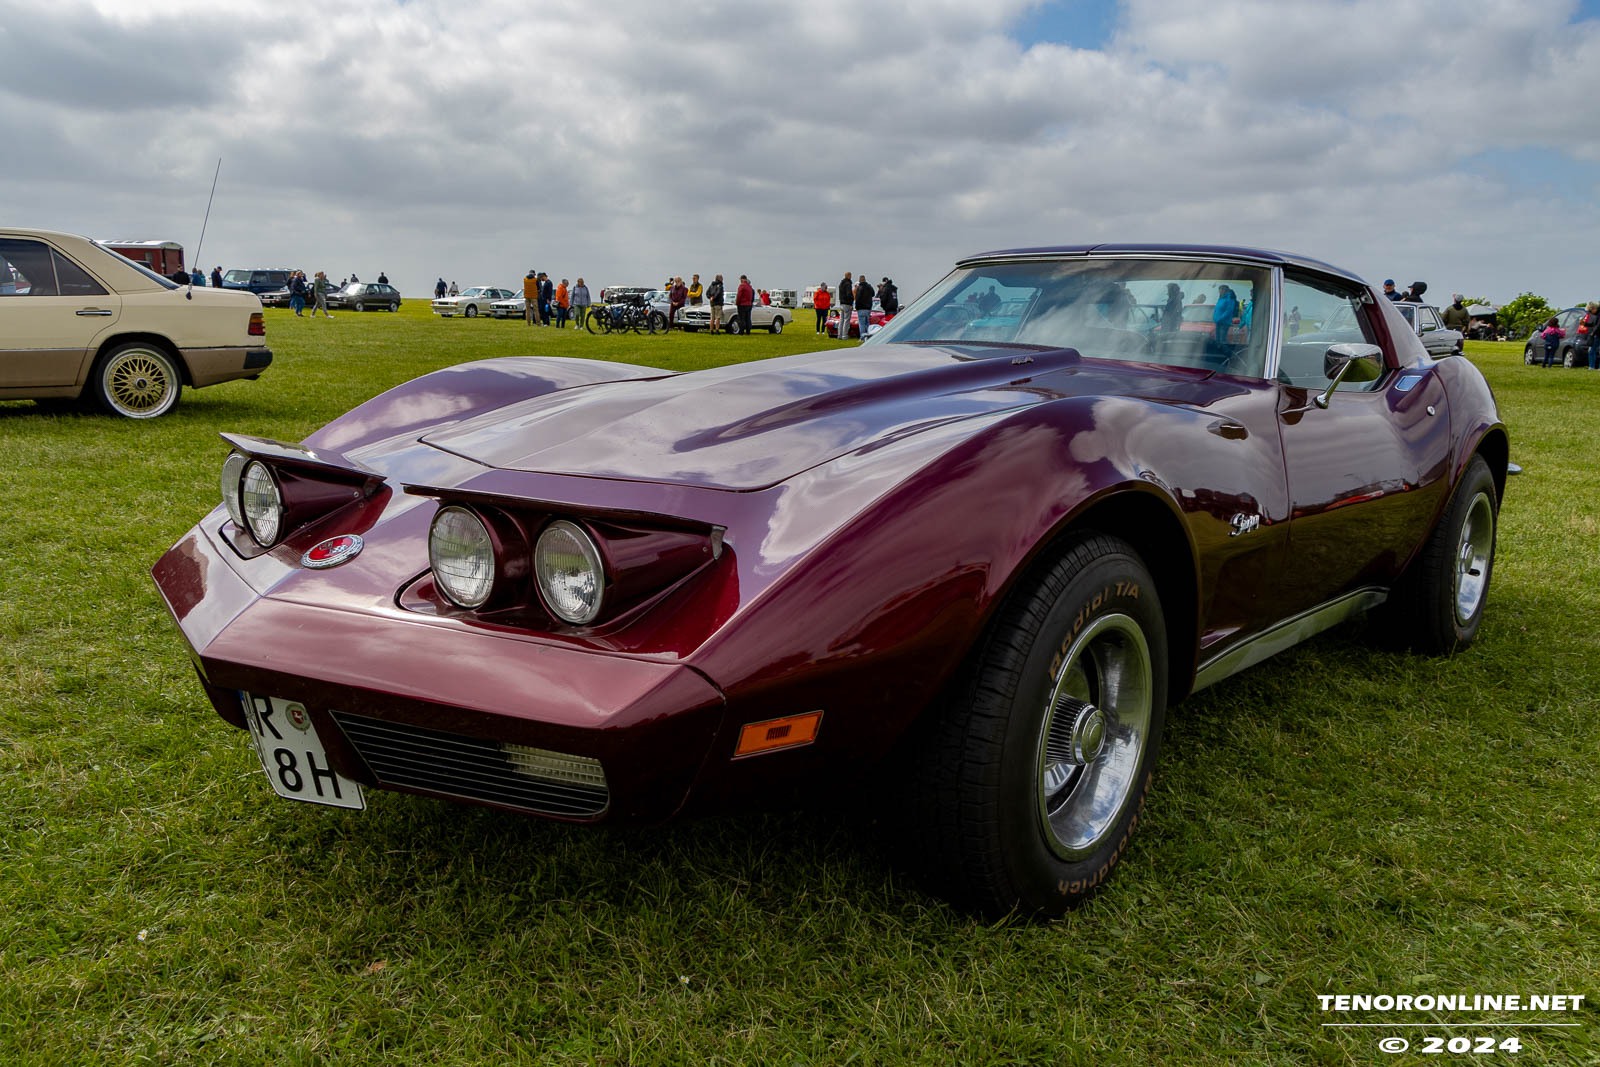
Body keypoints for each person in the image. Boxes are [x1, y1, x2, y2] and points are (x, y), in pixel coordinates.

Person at [1578, 302, 1600, 370]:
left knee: (1591, 350)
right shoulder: (1596, 315)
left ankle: (1592, 366)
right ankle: (1592, 366)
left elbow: (1598, 326)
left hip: (1597, 334)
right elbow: (1594, 324)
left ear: (1594, 308)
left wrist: (1593, 333)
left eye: (1590, 311)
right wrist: (1585, 324)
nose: (1590, 312)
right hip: (1596, 334)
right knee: (1592, 350)